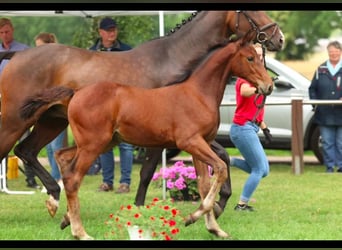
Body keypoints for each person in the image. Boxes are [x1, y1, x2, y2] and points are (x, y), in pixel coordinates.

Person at [89, 17, 134, 193]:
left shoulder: (127, 51)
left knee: (126, 142)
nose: (112, 33)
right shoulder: (92, 52)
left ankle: (125, 182)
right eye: (108, 30)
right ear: (100, 32)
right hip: (101, 102)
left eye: (114, 29)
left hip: (124, 101)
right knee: (103, 141)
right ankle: (107, 181)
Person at [229, 43, 272, 211]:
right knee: (259, 168)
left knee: (264, 170)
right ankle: (241, 205)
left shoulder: (259, 77)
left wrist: (264, 127)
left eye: (261, 56)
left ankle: (227, 160)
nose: (259, 58)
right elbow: (245, 91)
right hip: (242, 128)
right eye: (256, 56)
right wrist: (258, 89)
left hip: (251, 127)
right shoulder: (245, 78)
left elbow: (256, 109)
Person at [0, 17, 40, 189]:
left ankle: (30, 179)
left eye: (7, 31)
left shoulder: (24, 51)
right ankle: (3, 180)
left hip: (18, 102)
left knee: (23, 137)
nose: (4, 35)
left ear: (12, 30)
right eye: (1, 32)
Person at [34, 32, 66, 192]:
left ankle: (56, 178)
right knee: (48, 146)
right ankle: (53, 177)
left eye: (40, 47)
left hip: (57, 108)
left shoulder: (57, 64)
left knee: (56, 146)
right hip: (46, 108)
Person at [309, 40, 342, 173]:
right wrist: (316, 104)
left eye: (336, 51)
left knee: (341, 143)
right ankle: (329, 167)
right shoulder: (320, 69)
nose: (333, 54)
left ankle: (341, 167)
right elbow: (312, 89)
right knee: (327, 143)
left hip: (341, 114)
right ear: (328, 53)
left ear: (340, 52)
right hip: (324, 114)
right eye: (331, 52)